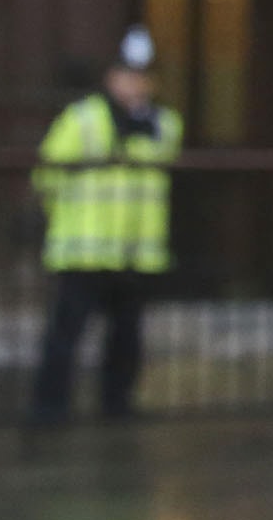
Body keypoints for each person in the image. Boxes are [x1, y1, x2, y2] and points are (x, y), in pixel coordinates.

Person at [29, 28, 181, 423]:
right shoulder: (83, 119)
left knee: (126, 337)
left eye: (144, 75)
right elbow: (47, 174)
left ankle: (118, 404)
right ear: (111, 77)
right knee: (66, 335)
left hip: (133, 251)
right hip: (84, 248)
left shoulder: (163, 124)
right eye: (128, 74)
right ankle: (49, 408)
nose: (136, 84)